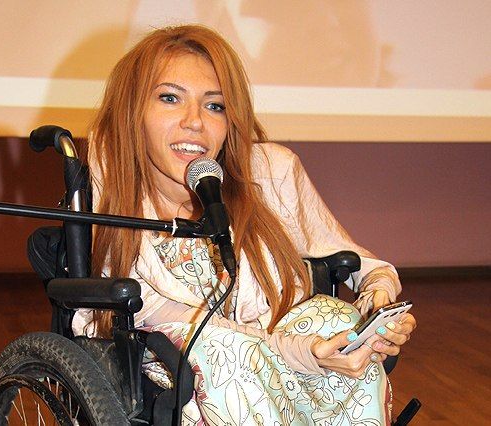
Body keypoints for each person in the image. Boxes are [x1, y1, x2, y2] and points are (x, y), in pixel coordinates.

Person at [73, 24, 417, 425]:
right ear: (133, 112)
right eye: (170, 98)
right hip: (180, 358)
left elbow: (361, 262)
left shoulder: (269, 173)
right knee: (224, 354)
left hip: (274, 341)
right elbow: (174, 320)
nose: (194, 122)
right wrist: (295, 352)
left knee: (339, 319)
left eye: (215, 106)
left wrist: (379, 306)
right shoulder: (112, 178)